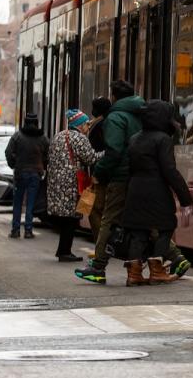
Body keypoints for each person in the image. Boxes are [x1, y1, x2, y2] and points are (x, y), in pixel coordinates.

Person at [116, 100, 193, 286]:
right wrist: (185, 197)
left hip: (135, 190)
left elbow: (129, 168)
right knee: (165, 227)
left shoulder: (135, 138)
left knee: (138, 232)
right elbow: (169, 171)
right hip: (156, 191)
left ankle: (134, 274)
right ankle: (157, 271)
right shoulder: (163, 139)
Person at [75, 81, 145, 283]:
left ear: (114, 96)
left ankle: (98, 267)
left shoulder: (115, 118)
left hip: (119, 176)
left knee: (108, 220)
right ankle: (172, 258)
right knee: (144, 220)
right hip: (138, 174)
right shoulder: (141, 113)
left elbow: (113, 151)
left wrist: (101, 172)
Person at [47, 109, 100, 262]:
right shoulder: (79, 138)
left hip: (56, 182)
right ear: (80, 125)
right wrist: (106, 153)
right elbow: (91, 158)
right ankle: (64, 252)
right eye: (86, 124)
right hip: (72, 182)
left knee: (66, 217)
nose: (88, 127)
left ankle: (62, 250)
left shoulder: (58, 136)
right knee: (72, 218)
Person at [5, 112, 50, 238]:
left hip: (20, 173)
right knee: (30, 202)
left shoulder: (17, 136)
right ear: (36, 123)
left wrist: (13, 164)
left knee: (18, 202)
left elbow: (8, 152)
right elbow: (48, 154)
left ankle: (15, 230)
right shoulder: (42, 138)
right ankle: (28, 231)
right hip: (36, 173)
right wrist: (43, 165)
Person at [86, 96, 112, 242]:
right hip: (102, 173)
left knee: (95, 209)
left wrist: (97, 172)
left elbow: (100, 150)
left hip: (100, 175)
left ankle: (101, 244)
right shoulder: (101, 123)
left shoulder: (101, 125)